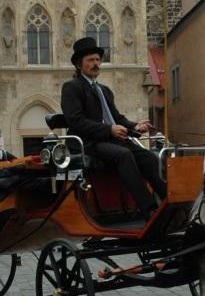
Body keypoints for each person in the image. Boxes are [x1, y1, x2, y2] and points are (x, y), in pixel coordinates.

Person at [61, 37, 167, 216]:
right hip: (89, 143)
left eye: (97, 60)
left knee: (150, 158)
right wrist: (109, 130)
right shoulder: (72, 87)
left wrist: (136, 127)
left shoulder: (104, 90)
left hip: (112, 140)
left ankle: (169, 201)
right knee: (124, 155)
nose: (96, 64)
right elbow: (76, 121)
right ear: (79, 65)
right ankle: (148, 208)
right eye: (90, 60)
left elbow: (116, 118)